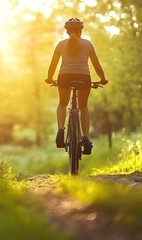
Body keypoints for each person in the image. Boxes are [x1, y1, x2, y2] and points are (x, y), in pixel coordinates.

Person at [45, 17, 108, 155]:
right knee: (83, 106)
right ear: (81, 31)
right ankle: (85, 138)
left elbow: (52, 65)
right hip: (84, 78)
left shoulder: (61, 44)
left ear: (67, 32)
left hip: (64, 78)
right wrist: (103, 79)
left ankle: (61, 131)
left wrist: (50, 78)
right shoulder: (88, 44)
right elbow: (97, 65)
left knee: (62, 103)